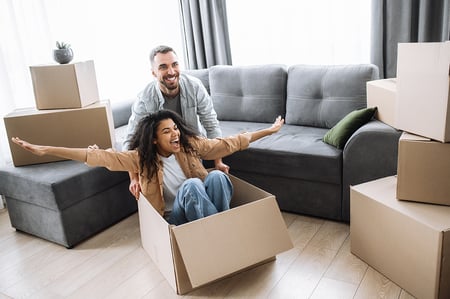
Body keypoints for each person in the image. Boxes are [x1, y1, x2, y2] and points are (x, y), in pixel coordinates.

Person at [12, 110, 284, 225]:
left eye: (176, 128)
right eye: (168, 132)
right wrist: (46, 149)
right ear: (154, 139)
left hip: (203, 211)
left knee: (218, 178)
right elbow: (97, 157)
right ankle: (219, 233)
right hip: (175, 218)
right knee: (191, 185)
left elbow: (228, 143)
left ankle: (220, 228)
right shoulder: (140, 159)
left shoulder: (189, 146)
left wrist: (269, 131)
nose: (175, 134)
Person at [124, 45, 228, 200]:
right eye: (163, 67)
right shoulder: (144, 98)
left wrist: (218, 162)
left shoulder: (195, 86)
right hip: (163, 153)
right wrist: (134, 178)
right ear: (153, 72)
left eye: (175, 64)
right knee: (186, 188)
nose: (171, 71)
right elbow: (131, 139)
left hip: (192, 146)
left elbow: (210, 123)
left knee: (209, 181)